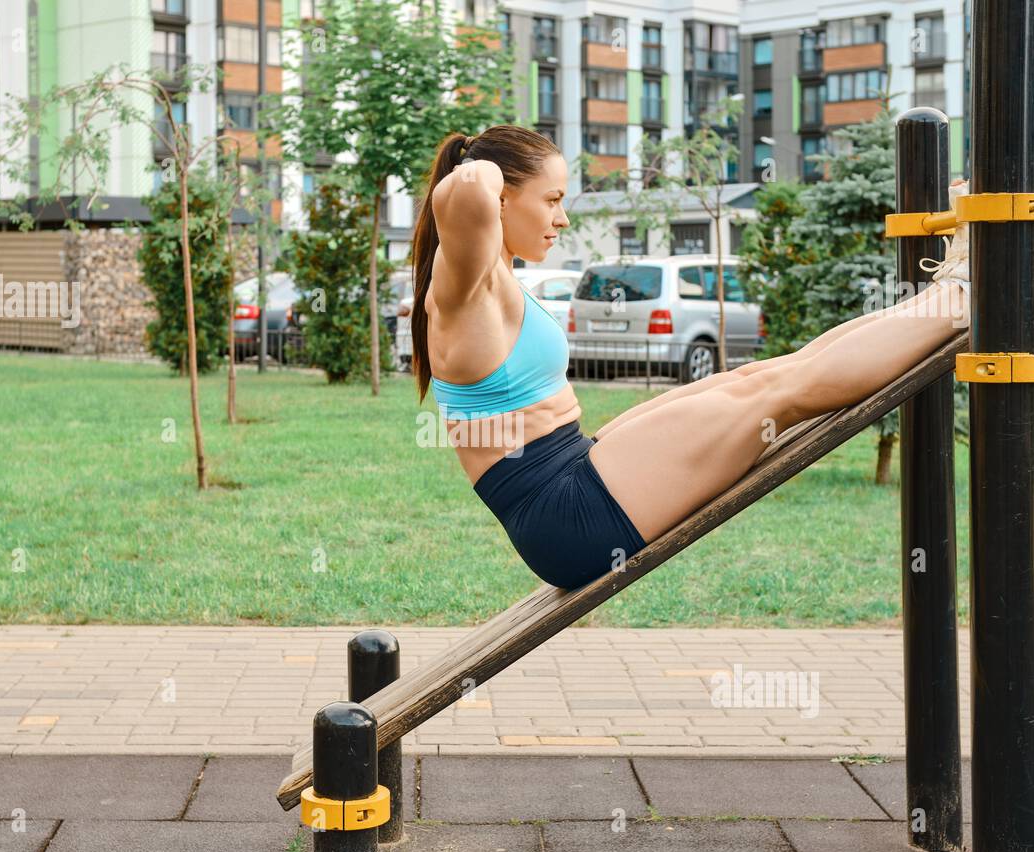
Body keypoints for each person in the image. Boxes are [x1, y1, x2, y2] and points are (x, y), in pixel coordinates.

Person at [409, 123, 982, 592]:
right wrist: (477, 160)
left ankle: (945, 292)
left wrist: (495, 166)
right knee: (776, 397)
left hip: (574, 465)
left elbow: (477, 196)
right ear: (502, 199)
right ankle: (962, 298)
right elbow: (460, 197)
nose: (562, 219)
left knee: (762, 374)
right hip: (565, 513)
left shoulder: (500, 278)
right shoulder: (463, 286)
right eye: (552, 200)